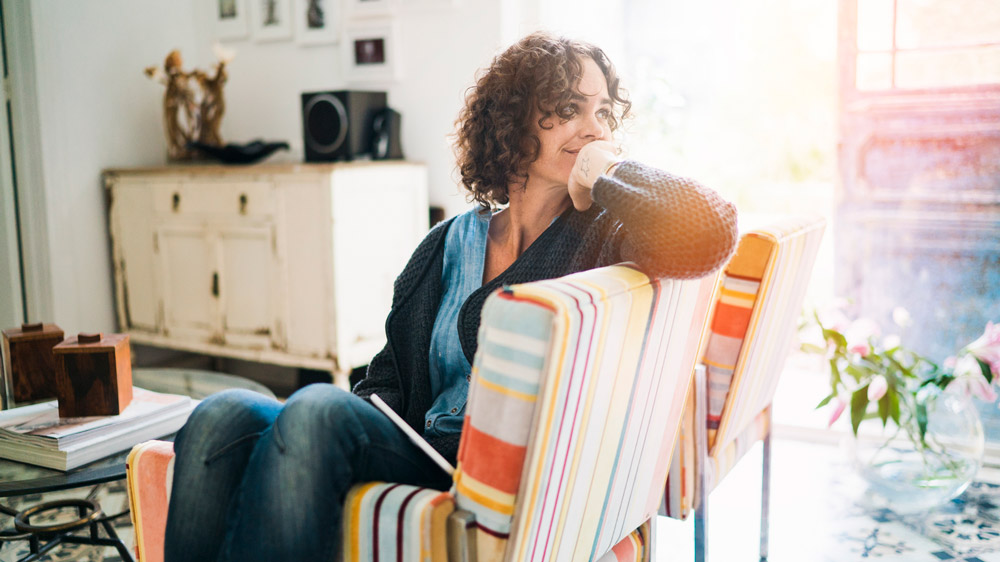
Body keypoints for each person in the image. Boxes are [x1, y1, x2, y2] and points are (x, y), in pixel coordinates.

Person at [163, 31, 738, 562]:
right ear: (513, 123)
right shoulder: (445, 244)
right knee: (220, 413)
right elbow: (387, 378)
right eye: (569, 109)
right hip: (418, 446)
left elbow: (711, 231)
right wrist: (349, 424)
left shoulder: (606, 237)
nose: (594, 128)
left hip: (487, 472)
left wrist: (605, 172)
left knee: (315, 408)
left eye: (604, 113)